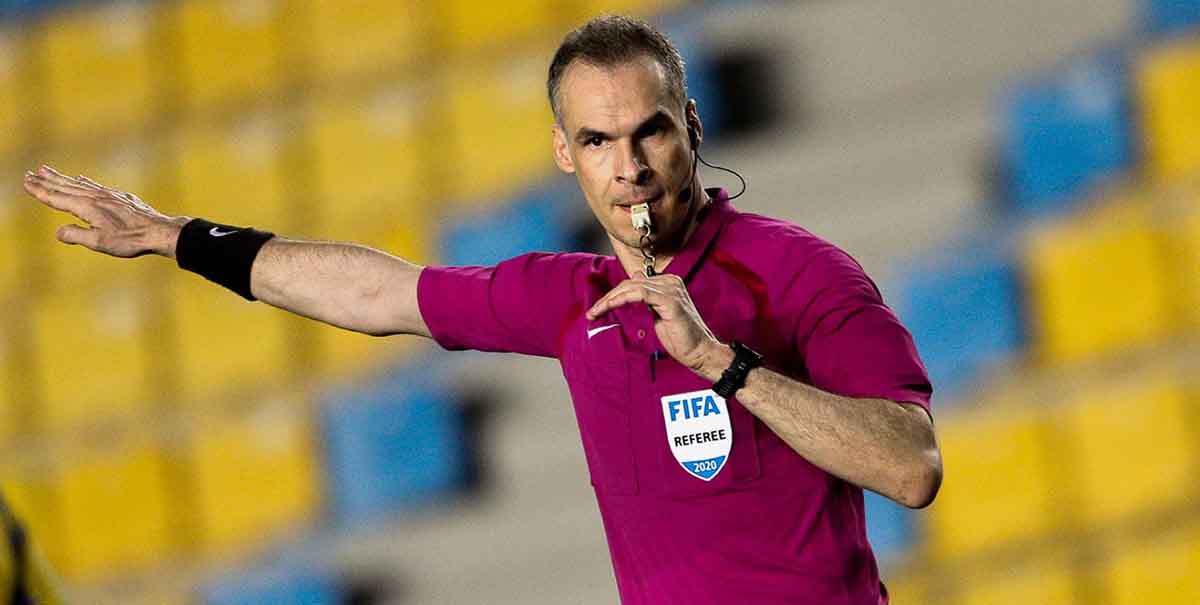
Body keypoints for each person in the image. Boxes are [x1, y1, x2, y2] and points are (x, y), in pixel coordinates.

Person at [23, 15, 941, 605]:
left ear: (691, 126)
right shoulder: (570, 297)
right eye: (597, 140)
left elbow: (911, 467)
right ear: (563, 152)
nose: (629, 168)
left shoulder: (800, 274)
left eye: (650, 132)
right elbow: (374, 291)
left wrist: (724, 363)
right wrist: (177, 236)